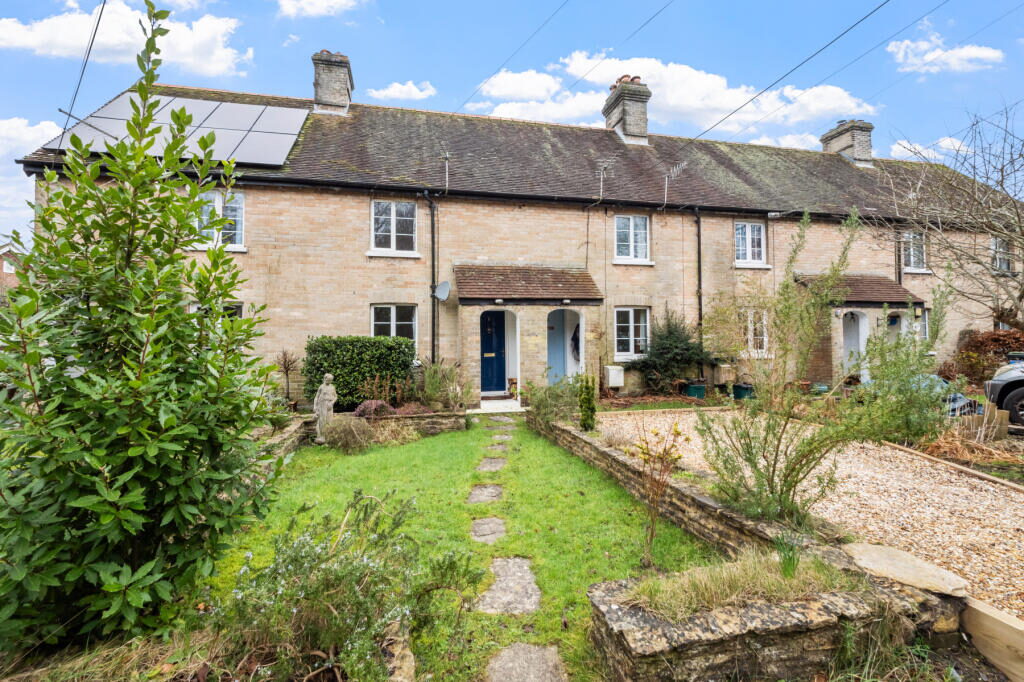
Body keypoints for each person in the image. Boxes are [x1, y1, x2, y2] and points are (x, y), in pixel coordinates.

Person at [313, 373, 337, 444]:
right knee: (322, 421)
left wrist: (332, 403)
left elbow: (335, 397)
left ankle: (328, 435)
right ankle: (321, 436)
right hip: (321, 405)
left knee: (329, 420)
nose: (329, 381)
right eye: (328, 380)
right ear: (325, 379)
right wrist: (315, 406)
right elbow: (316, 397)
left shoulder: (332, 387)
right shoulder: (321, 387)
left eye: (330, 380)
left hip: (329, 405)